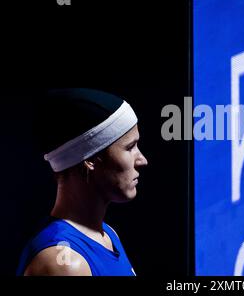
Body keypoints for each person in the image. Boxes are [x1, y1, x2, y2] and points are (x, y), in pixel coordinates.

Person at [16, 88, 148, 276]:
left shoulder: (107, 235)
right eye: (130, 147)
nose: (142, 160)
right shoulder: (64, 263)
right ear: (90, 160)